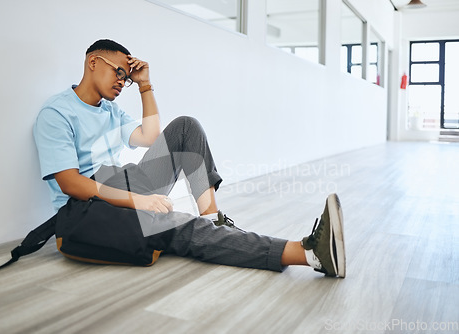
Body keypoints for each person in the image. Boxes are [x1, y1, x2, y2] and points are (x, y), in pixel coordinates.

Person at [33, 39, 346, 277]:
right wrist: (138, 201)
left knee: (186, 126)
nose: (121, 81)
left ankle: (212, 220)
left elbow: (150, 136)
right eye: (118, 72)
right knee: (178, 226)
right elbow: (70, 183)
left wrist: (144, 85)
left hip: (119, 182)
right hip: (87, 209)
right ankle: (307, 254)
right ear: (92, 62)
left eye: (125, 78)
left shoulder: (110, 109)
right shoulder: (57, 112)